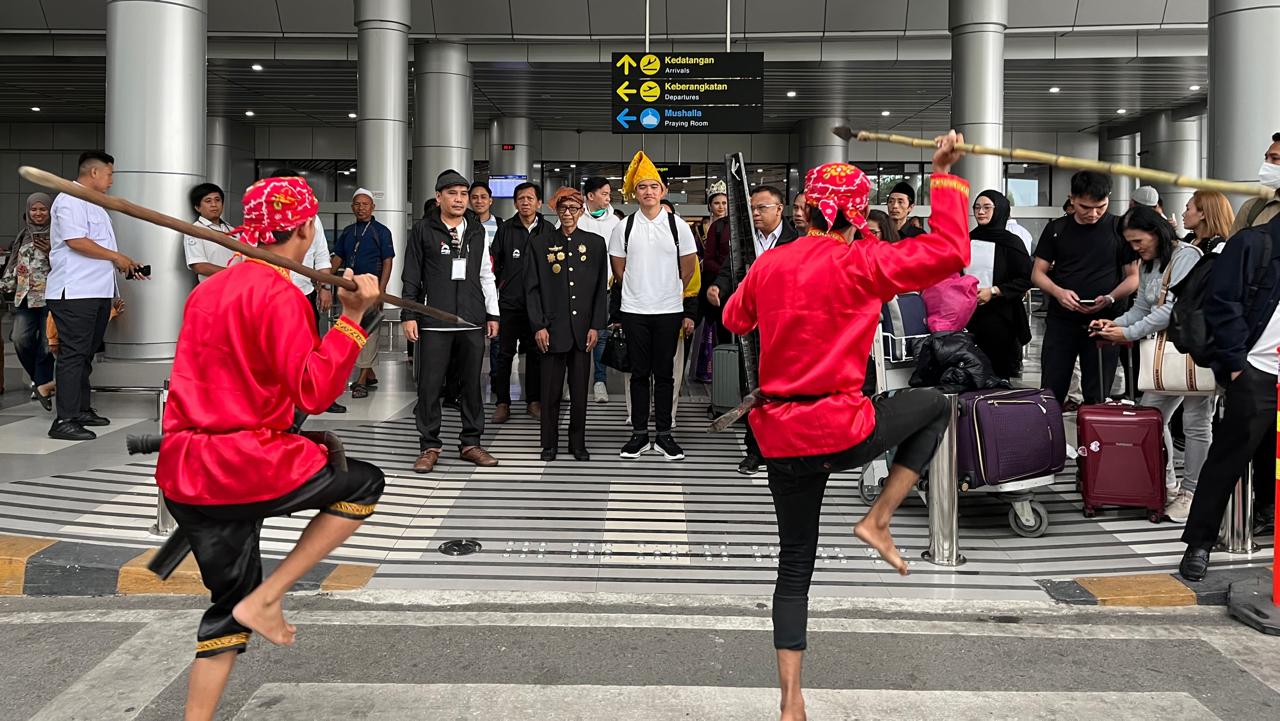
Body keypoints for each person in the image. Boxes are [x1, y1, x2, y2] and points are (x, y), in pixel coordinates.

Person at [722, 133, 970, 721]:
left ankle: (790, 701)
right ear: (859, 216)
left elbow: (735, 317)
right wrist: (943, 175)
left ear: (804, 208)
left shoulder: (769, 264)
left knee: (794, 566)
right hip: (844, 429)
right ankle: (878, 518)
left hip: (779, 434)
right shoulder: (867, 261)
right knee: (935, 402)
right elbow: (951, 251)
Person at [153, 175, 385, 721]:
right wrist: (353, 321)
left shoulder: (209, 291)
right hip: (247, 463)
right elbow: (313, 390)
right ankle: (270, 594)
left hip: (187, 468)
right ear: (305, 229)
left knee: (225, 611)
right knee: (364, 482)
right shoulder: (280, 295)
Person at [1090, 206, 1211, 523]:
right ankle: (1166, 484)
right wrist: (1112, 324)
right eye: (1130, 243)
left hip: (1194, 351)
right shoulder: (1148, 264)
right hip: (1163, 355)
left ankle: (1192, 493)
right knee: (1150, 418)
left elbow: (1173, 310)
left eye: (1138, 240)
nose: (1135, 248)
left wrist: (1126, 332)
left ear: (1156, 232)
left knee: (1196, 423)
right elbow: (1142, 308)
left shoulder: (1187, 256)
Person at [1178, 206, 1280, 580]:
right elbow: (1223, 304)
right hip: (1257, 371)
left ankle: (1264, 517)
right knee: (1229, 458)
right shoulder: (1255, 243)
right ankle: (1199, 542)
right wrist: (1238, 365)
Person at [402, 169, 500, 474]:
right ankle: (429, 445)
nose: (459, 200)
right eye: (452, 193)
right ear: (439, 197)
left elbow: (486, 273)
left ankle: (471, 442)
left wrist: (492, 313)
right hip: (434, 321)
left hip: (471, 319)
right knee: (430, 386)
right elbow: (412, 276)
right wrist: (409, 314)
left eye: (463, 194)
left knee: (472, 385)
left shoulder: (476, 229)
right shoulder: (423, 229)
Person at [46, 150, 145, 441]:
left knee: (86, 354)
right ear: (94, 173)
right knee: (73, 355)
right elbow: (75, 241)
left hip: (95, 291)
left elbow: (97, 248)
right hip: (75, 291)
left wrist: (118, 276)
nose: (111, 181)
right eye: (110, 174)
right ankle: (64, 419)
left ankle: (80, 410)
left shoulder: (95, 204)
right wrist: (117, 256)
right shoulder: (69, 199)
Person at [610, 151, 697, 461]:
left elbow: (688, 268)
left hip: (668, 309)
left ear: (663, 192)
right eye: (642, 187)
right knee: (637, 374)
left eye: (653, 187)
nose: (648, 192)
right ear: (635, 193)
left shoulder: (678, 226)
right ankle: (638, 435)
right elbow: (618, 268)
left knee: (664, 375)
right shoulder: (625, 227)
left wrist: (666, 290)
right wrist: (639, 289)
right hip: (634, 310)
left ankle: (664, 434)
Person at [706, 185, 798, 475]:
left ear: (779, 209)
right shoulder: (744, 241)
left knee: (783, 389)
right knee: (751, 388)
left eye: (761, 208)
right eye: (752, 209)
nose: (755, 213)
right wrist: (717, 287)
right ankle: (754, 451)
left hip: (785, 328)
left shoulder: (796, 241)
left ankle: (781, 450)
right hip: (752, 326)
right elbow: (727, 271)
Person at [1031, 171, 1140, 406]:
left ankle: (1093, 443)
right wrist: (1059, 293)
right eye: (1085, 207)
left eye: (1100, 207)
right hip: (1062, 322)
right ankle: (1050, 441)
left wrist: (1110, 298)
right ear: (1071, 198)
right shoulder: (1056, 229)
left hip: (1104, 323)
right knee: (1051, 393)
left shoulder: (1119, 228)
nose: (1093, 214)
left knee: (1098, 396)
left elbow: (1133, 278)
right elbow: (1037, 273)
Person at [526, 188, 609, 462]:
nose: (568, 214)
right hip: (552, 329)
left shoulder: (595, 244)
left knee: (579, 394)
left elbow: (600, 291)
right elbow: (532, 288)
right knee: (548, 392)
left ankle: (578, 443)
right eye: (563, 209)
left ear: (582, 210)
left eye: (574, 208)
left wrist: (596, 326)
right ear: (556, 211)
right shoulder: (540, 243)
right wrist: (539, 325)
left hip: (583, 331)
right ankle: (548, 443)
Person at [269, 169, 344, 414]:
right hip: (271, 296)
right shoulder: (262, 218)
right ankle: (280, 397)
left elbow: (322, 255)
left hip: (304, 292)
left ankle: (318, 394)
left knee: (312, 346)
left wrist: (324, 288)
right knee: (276, 349)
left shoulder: (312, 218)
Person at [490, 181, 550, 423]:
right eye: (521, 199)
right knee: (504, 355)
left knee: (536, 354)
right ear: (515, 203)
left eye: (530, 198)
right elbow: (495, 264)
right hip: (509, 304)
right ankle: (502, 403)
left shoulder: (548, 230)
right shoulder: (506, 229)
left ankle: (533, 401)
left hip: (538, 306)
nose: (525, 203)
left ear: (539, 203)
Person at [331, 188, 395, 398]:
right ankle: (370, 373)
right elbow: (338, 258)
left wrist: (381, 291)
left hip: (371, 289)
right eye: (357, 204)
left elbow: (387, 262)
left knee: (369, 333)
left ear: (372, 207)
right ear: (352, 208)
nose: (361, 208)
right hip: (349, 290)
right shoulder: (348, 232)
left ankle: (360, 381)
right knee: (350, 333)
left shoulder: (381, 231)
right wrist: (323, 280)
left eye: (365, 204)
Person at [967, 190, 1033, 378]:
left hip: (1002, 317)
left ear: (1001, 210)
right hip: (971, 316)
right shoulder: (968, 239)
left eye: (987, 207)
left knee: (998, 373)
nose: (980, 212)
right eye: (977, 207)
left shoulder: (1011, 242)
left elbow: (1027, 277)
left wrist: (995, 291)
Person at [1, 193, 55, 409]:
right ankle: (42, 381)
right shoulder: (23, 235)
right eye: (34, 209)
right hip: (25, 296)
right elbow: (13, 263)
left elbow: (69, 265)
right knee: (20, 339)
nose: (38, 213)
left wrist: (51, 252)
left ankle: (40, 383)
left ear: (50, 212)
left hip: (50, 297)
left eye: (43, 209)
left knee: (46, 344)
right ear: (28, 212)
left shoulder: (58, 236)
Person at [577, 176, 623, 403]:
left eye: (609, 193)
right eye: (604, 193)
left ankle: (600, 381)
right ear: (590, 196)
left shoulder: (615, 222)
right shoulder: (575, 216)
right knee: (574, 336)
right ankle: (573, 383)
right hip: (576, 291)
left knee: (601, 336)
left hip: (604, 289)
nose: (608, 197)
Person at [470, 181, 504, 394]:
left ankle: (497, 380)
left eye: (483, 197)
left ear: (490, 200)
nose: (479, 201)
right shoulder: (464, 225)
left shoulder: (501, 226)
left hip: (496, 289)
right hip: (470, 292)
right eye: (474, 197)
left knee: (497, 339)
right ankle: (468, 382)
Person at [183, 183, 236, 281]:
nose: (214, 205)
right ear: (197, 207)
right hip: (213, 289)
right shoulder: (194, 230)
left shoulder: (233, 230)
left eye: (217, 200)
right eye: (208, 201)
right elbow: (200, 266)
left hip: (238, 288)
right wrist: (234, 275)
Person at [1231, 132, 1280, 235]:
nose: (1266, 164)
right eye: (1266, 158)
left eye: (1275, 158)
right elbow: (1234, 248)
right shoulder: (1252, 207)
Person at [1180, 190, 1234, 255]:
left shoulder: (1219, 247)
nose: (1183, 214)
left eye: (1188, 209)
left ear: (1203, 214)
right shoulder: (1189, 239)